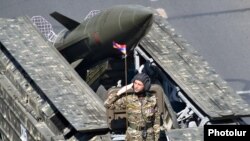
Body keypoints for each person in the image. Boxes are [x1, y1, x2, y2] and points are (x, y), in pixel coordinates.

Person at [104, 73, 160, 141]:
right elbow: (107, 104)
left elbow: (156, 120)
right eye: (135, 83)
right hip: (133, 136)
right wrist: (119, 92)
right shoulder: (128, 99)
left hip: (149, 135)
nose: (136, 86)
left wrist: (156, 137)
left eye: (139, 84)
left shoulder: (152, 99)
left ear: (145, 86)